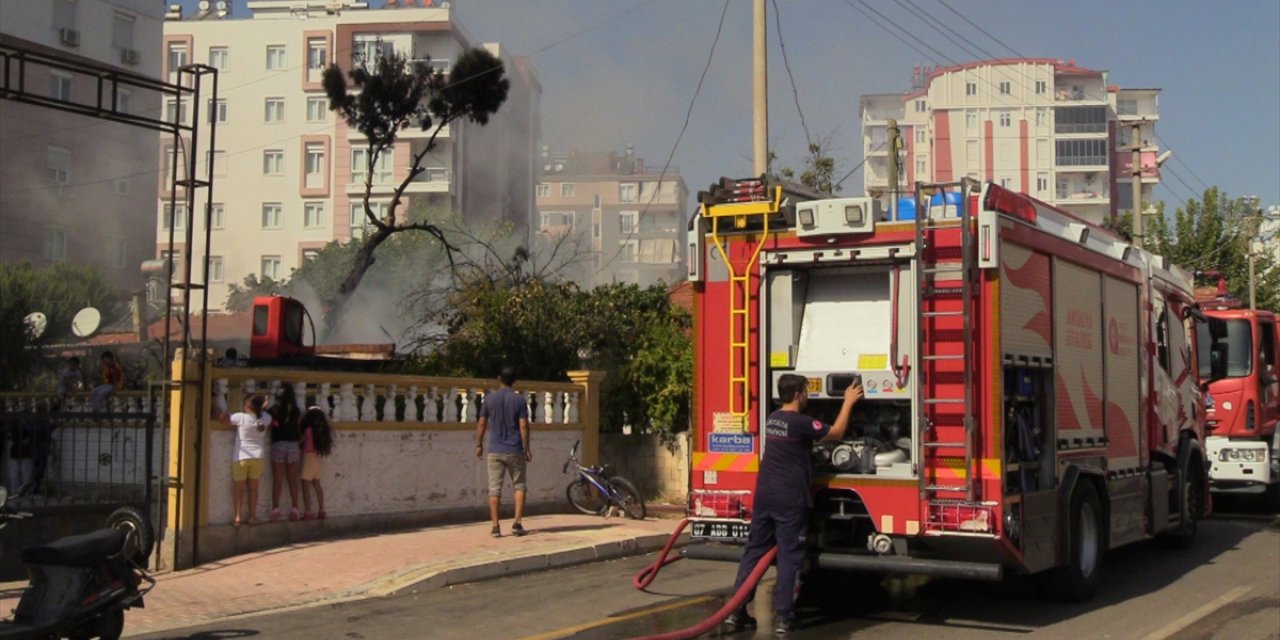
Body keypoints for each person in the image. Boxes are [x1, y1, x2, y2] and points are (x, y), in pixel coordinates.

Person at [726, 374, 863, 635]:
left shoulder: (773, 419)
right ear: (799, 394)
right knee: (789, 557)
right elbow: (836, 433)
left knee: (754, 553)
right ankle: (785, 617)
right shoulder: (800, 423)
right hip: (789, 500)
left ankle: (737, 611)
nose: (808, 396)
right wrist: (848, 402)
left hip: (765, 496)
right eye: (806, 392)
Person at [475, 366, 531, 538]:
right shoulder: (519, 401)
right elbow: (523, 425)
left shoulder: (490, 399)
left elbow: (482, 423)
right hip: (514, 448)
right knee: (519, 486)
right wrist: (526, 447)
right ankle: (517, 522)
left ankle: (495, 526)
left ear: (499, 378)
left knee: (494, 489)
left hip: (495, 449)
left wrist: (479, 444)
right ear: (514, 381)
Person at [220, 395, 270, 526]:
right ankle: (252, 517)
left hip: (241, 456)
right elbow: (264, 411)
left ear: (247, 406)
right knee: (254, 489)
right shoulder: (266, 418)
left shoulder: (240, 417)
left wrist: (217, 409)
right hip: (257, 457)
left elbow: (224, 419)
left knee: (239, 489)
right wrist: (263, 406)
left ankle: (237, 517)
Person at [268, 385, 303, 522]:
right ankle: (295, 508)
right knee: (293, 480)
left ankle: (276, 509)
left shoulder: (274, 411)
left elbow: (268, 422)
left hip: (278, 445)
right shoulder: (296, 411)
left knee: (278, 479)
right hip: (293, 446)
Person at [299, 407, 333, 521]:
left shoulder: (308, 430)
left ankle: (308, 511)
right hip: (318, 458)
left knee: (305, 486)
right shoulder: (322, 431)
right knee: (317, 484)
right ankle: (321, 509)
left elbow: (300, 440)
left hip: (308, 458)